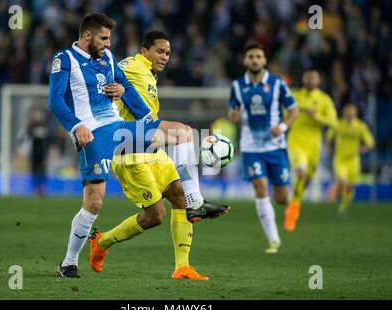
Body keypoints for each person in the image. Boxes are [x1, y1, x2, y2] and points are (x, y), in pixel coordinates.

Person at [49, 13, 193, 278]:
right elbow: (56, 101)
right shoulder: (65, 59)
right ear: (87, 35)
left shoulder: (108, 58)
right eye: (103, 38)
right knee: (94, 203)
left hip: (119, 129)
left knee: (183, 132)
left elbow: (126, 86)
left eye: (109, 38)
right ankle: (69, 263)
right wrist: (75, 127)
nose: (107, 43)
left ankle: (194, 199)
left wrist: (146, 117)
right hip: (91, 133)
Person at [89, 31, 223, 281]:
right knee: (155, 216)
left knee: (180, 198)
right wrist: (113, 88)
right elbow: (109, 73)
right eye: (160, 51)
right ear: (144, 51)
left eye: (168, 53)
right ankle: (102, 242)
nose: (165, 56)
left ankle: (182, 266)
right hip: (129, 151)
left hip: (151, 149)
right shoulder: (132, 64)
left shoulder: (150, 75)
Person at [228, 43, 299, 253]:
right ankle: (274, 240)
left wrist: (283, 126)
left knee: (281, 198)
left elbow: (294, 110)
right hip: (251, 147)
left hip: (276, 147)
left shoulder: (277, 83)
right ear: (245, 61)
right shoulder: (237, 85)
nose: (255, 60)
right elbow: (233, 112)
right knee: (260, 188)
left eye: (259, 56)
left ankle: (288, 196)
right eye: (251, 56)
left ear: (264, 60)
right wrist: (233, 117)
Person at [284, 69, 338, 231]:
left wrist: (317, 117)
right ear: (303, 79)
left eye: (313, 78)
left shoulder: (324, 100)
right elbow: (284, 114)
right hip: (296, 141)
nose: (309, 80)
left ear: (318, 81)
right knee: (301, 171)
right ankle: (292, 213)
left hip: (314, 145)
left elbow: (334, 122)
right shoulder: (294, 96)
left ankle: (294, 203)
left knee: (306, 178)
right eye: (307, 77)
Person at [326, 103, 374, 217]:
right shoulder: (338, 124)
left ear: (355, 114)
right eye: (347, 113)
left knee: (351, 186)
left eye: (352, 113)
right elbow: (328, 136)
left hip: (353, 160)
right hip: (340, 159)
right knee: (343, 182)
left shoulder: (360, 126)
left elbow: (370, 142)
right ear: (344, 114)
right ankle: (335, 194)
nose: (349, 115)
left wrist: (363, 148)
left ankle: (343, 206)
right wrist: (328, 148)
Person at [27, 108, 50, 195]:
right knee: (34, 170)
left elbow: (49, 138)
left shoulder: (45, 125)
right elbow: (28, 136)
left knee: (43, 170)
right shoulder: (31, 125)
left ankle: (42, 187)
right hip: (34, 152)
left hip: (43, 152)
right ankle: (35, 187)